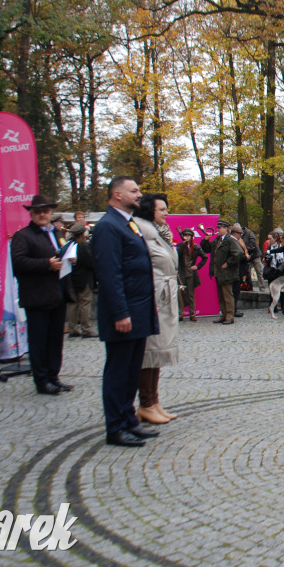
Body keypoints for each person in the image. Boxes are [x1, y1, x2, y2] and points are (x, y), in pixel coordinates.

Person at [92, 176, 159, 447]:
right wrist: (120, 313)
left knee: (132, 370)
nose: (139, 194)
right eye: (134, 191)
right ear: (117, 195)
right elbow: (110, 274)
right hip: (124, 313)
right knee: (119, 371)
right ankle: (116, 427)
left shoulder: (127, 222)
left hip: (139, 309)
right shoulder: (108, 226)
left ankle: (129, 420)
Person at [10, 194, 72, 395]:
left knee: (55, 340)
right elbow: (19, 263)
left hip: (57, 293)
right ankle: (42, 380)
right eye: (38, 211)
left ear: (51, 213)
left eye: (46, 211)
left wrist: (71, 260)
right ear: (31, 213)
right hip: (37, 296)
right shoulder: (23, 236)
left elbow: (61, 253)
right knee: (39, 341)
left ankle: (54, 376)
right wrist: (47, 264)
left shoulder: (56, 233)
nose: (42, 214)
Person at [134, 193, 180, 425]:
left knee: (159, 351)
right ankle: (146, 403)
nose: (166, 213)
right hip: (153, 298)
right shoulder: (141, 232)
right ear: (149, 210)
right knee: (150, 351)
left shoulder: (158, 233)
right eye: (162, 209)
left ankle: (154, 401)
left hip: (164, 296)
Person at [66, 222, 97, 337]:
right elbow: (91, 263)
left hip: (73, 279)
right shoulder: (84, 246)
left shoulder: (69, 245)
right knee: (85, 304)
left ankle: (72, 328)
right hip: (84, 279)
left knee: (73, 305)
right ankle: (86, 328)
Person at [210, 220, 244, 324]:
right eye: (218, 227)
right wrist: (206, 240)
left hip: (226, 273)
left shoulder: (230, 240)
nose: (218, 229)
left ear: (226, 229)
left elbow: (239, 252)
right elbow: (207, 249)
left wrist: (228, 263)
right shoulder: (218, 240)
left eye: (220, 227)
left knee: (227, 295)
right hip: (218, 272)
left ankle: (230, 316)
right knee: (221, 295)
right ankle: (224, 314)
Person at [176, 229, 207, 321]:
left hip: (190, 273)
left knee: (190, 294)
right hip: (181, 273)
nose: (187, 237)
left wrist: (197, 266)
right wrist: (182, 244)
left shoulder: (196, 247)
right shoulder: (180, 245)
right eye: (185, 235)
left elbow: (205, 257)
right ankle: (180, 314)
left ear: (192, 237)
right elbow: (176, 254)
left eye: (189, 236)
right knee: (180, 294)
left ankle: (192, 313)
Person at [230, 223, 249, 317]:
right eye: (239, 233)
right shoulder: (233, 241)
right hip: (236, 268)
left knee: (236, 290)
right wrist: (245, 257)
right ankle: (233, 309)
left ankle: (234, 308)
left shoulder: (239, 240)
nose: (240, 235)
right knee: (234, 290)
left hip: (240, 268)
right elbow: (236, 255)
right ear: (234, 233)